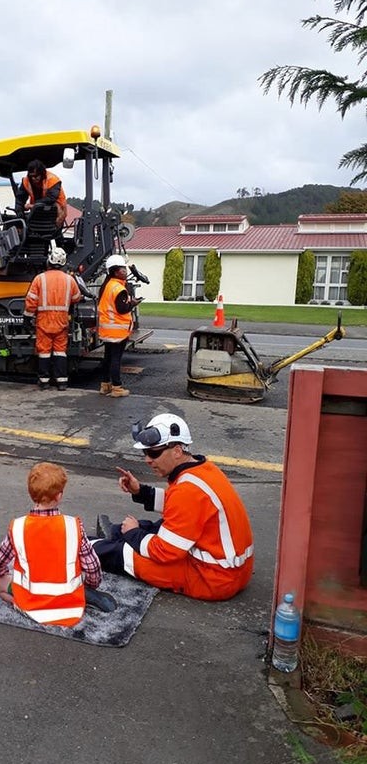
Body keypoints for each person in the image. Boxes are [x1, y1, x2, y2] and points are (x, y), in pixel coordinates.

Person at [92, 413, 254, 601]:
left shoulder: (187, 490)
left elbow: (164, 552)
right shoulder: (204, 469)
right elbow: (179, 508)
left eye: (154, 453)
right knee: (153, 526)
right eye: (145, 453)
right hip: (232, 570)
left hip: (211, 578)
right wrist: (140, 491)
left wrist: (133, 534)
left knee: (124, 554)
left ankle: (85, 546)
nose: (148, 460)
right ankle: (115, 533)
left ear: (177, 451)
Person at [0, 462, 115, 627]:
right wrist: (90, 585)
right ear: (59, 496)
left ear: (31, 493)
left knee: (1, 585)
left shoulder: (18, 526)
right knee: (77, 576)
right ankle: (83, 595)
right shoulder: (73, 525)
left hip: (32, 602)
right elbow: (92, 566)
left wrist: (2, 574)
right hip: (70, 604)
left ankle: (22, 606)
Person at [23, 243, 82, 391]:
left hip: (44, 321)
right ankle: (62, 382)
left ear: (49, 261)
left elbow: (31, 301)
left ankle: (44, 381)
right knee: (60, 351)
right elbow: (76, 298)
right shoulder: (69, 280)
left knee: (43, 352)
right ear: (63, 264)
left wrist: (27, 317)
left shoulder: (39, 279)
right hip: (62, 321)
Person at [97, 253, 141, 398]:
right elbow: (121, 309)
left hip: (107, 329)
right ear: (115, 271)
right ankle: (117, 387)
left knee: (108, 358)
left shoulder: (107, 286)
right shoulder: (119, 289)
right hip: (117, 331)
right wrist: (132, 304)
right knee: (116, 359)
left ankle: (105, 385)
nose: (126, 271)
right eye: (123, 269)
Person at [15, 159, 67, 229]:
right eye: (31, 176)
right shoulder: (26, 181)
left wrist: (33, 205)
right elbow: (20, 198)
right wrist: (19, 211)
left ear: (42, 173)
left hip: (56, 211)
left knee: (54, 231)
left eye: (36, 176)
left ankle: (59, 238)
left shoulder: (52, 179)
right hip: (37, 212)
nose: (33, 178)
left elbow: (51, 199)